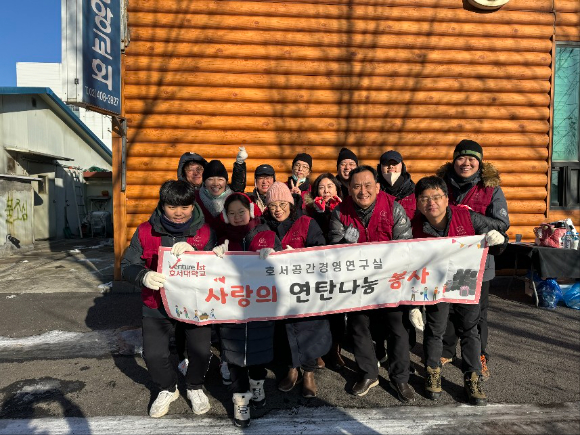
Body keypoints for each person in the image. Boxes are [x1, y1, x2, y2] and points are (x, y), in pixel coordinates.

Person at [121, 180, 216, 418]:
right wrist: (143, 275)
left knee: (201, 352)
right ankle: (167, 388)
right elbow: (127, 265)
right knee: (153, 354)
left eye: (184, 207)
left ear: (193, 205)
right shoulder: (145, 230)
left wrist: (199, 257)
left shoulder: (205, 232)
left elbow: (218, 268)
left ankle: (194, 386)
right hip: (156, 303)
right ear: (162, 205)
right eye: (172, 206)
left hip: (194, 304)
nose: (178, 213)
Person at [411, 176, 508, 406]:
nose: (431, 203)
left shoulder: (467, 216)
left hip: (464, 278)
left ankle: (472, 376)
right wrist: (413, 303)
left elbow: (499, 242)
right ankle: (432, 370)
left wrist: (498, 240)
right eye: (424, 199)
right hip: (434, 283)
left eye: (436, 197)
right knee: (436, 328)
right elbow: (409, 264)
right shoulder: (416, 226)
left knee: (469, 328)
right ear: (417, 202)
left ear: (446, 199)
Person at [328, 165, 416, 402]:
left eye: (368, 185)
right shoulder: (340, 213)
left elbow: (404, 245)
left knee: (397, 329)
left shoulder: (394, 208)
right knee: (358, 326)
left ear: (377, 187)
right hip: (358, 283)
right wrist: (345, 241)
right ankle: (368, 373)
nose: (362, 191)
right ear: (348, 188)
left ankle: (400, 378)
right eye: (356, 186)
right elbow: (334, 249)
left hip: (390, 281)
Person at [436, 139, 510, 378]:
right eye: (461, 158)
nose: (466, 163)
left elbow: (501, 224)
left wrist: (471, 218)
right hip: (446, 259)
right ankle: (447, 349)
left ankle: (479, 354)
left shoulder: (491, 189)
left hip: (479, 262)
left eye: (471, 159)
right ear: (453, 160)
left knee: (477, 313)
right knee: (447, 306)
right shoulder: (441, 185)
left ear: (480, 163)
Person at [212, 192, 281, 428]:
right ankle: (240, 398)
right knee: (233, 353)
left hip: (261, 306)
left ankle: (257, 384)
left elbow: (286, 265)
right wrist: (213, 256)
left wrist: (275, 255)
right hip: (231, 306)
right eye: (231, 213)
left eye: (241, 211)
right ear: (225, 216)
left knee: (259, 349)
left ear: (250, 211)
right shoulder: (221, 239)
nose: (237, 217)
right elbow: (209, 273)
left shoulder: (267, 234)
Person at [262, 181, 330, 397]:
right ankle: (292, 369)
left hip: (305, 289)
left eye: (282, 204)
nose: (278, 209)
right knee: (284, 331)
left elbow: (321, 250)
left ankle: (308, 372)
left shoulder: (306, 222)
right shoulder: (264, 225)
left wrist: (300, 256)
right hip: (277, 291)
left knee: (309, 328)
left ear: (291, 204)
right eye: (273, 205)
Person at [302, 173, 346, 368]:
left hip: (339, 267)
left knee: (337, 311)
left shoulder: (345, 209)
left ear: (337, 189)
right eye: (322, 187)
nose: (326, 190)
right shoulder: (308, 210)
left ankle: (335, 350)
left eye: (330, 186)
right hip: (316, 267)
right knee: (318, 310)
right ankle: (318, 350)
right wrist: (319, 213)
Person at [195, 159, 254, 236]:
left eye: (220, 179)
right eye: (210, 179)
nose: (216, 183)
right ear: (204, 182)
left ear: (226, 182)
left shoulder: (234, 199)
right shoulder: (195, 198)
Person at [177, 147, 248, 191]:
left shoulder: (215, 190)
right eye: (190, 169)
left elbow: (237, 189)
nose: (196, 173)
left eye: (199, 169)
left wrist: (240, 164)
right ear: (184, 173)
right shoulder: (178, 192)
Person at [377, 150, 416, 219]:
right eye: (386, 164)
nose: (391, 166)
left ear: (402, 166)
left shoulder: (414, 191)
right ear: (380, 168)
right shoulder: (374, 191)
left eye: (394, 163)